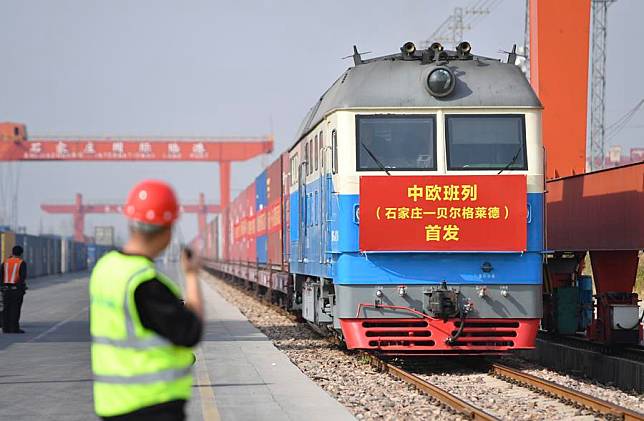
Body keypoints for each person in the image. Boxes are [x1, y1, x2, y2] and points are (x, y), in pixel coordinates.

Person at [89, 180, 204, 421]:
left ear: (131, 223)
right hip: (152, 404)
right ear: (167, 230)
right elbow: (190, 332)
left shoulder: (104, 269)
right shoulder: (145, 284)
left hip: (111, 405)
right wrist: (192, 276)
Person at [1, 245, 28, 334]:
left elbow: (0, 276)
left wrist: (2, 288)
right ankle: (14, 328)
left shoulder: (5, 262)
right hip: (16, 289)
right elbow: (22, 277)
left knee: (6, 309)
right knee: (15, 309)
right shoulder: (21, 262)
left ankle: (5, 328)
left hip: (6, 290)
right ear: (21, 253)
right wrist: (22, 289)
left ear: (12, 252)